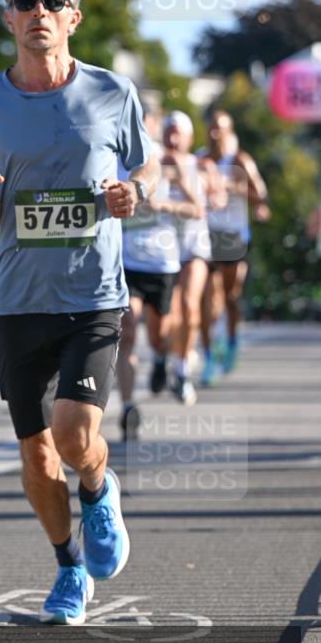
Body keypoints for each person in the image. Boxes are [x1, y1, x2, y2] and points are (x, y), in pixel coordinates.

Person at [0, 0, 160, 625]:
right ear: (8, 16)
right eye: (25, 0)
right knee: (37, 456)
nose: (39, 11)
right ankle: (69, 567)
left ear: (74, 16)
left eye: (53, 1)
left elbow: (146, 170)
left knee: (72, 434)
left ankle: (96, 485)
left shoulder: (111, 93)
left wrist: (134, 194)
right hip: (19, 300)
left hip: (93, 295)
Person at [116, 109, 203, 435]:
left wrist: (164, 206)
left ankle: (160, 359)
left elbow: (196, 209)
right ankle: (128, 406)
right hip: (129, 262)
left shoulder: (168, 163)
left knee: (159, 336)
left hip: (163, 264)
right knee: (127, 330)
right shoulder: (116, 159)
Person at [200, 110, 270, 384]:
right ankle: (209, 356)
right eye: (212, 127)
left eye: (220, 128)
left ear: (229, 132)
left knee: (229, 296)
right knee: (208, 296)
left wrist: (234, 187)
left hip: (233, 236)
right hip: (206, 233)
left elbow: (260, 194)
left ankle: (230, 340)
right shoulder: (200, 158)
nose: (214, 133)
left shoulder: (239, 160)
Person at [163, 111, 220, 405]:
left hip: (195, 246)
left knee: (189, 304)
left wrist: (214, 193)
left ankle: (183, 369)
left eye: (178, 132)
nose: (173, 137)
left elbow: (218, 197)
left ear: (189, 137)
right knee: (169, 316)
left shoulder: (202, 165)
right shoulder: (155, 164)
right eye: (168, 131)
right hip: (164, 248)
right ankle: (172, 357)